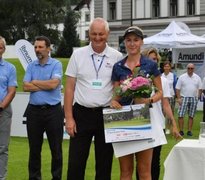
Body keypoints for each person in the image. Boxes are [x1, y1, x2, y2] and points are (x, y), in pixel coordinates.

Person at [64, 18, 123, 179]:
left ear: (108, 34)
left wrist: (116, 98)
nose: (97, 38)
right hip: (81, 114)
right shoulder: (77, 55)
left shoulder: (116, 56)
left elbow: (120, 86)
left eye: (101, 34)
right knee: (76, 163)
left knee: (104, 164)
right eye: (94, 34)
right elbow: (69, 88)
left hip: (106, 114)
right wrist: (69, 118)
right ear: (89, 34)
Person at [110, 26, 164, 180]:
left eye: (135, 40)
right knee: (125, 171)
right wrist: (114, 102)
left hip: (144, 118)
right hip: (124, 120)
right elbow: (116, 95)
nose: (132, 43)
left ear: (141, 42)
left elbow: (160, 92)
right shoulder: (118, 67)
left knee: (144, 171)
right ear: (124, 43)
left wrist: (149, 100)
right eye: (128, 40)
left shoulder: (150, 65)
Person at [23, 36, 63, 180]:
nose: (37, 50)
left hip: (53, 112)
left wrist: (35, 82)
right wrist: (45, 84)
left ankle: (56, 177)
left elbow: (54, 85)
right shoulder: (31, 66)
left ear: (48, 48)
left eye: (40, 47)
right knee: (34, 150)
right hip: (34, 112)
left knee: (56, 150)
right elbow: (25, 86)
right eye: (35, 47)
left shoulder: (56, 64)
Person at [138, 47, 181, 180]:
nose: (154, 61)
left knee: (155, 161)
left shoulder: (163, 80)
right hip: (141, 122)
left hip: (157, 124)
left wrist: (173, 124)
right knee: (140, 163)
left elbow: (166, 104)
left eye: (156, 59)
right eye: (151, 59)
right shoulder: (137, 78)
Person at [0, 36, 17, 180]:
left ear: (4, 49)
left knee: (2, 148)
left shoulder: (10, 68)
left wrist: (0, 107)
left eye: (0, 47)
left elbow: (11, 90)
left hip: (3, 111)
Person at [176, 63, 202, 137]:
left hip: (193, 98)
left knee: (191, 115)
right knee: (181, 115)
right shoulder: (182, 77)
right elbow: (177, 88)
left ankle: (189, 131)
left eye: (192, 68)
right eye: (189, 68)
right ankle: (181, 130)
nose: (190, 70)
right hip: (183, 98)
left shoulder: (197, 77)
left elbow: (200, 89)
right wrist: (178, 98)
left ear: (194, 69)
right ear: (186, 69)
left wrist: (198, 97)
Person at [161, 61, 177, 134]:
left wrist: (176, 96)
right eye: (165, 66)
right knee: (163, 113)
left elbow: (175, 86)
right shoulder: (161, 76)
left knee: (170, 113)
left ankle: (168, 128)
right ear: (163, 67)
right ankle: (162, 127)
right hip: (163, 96)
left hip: (171, 96)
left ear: (170, 67)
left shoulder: (173, 76)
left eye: (168, 66)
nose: (166, 68)